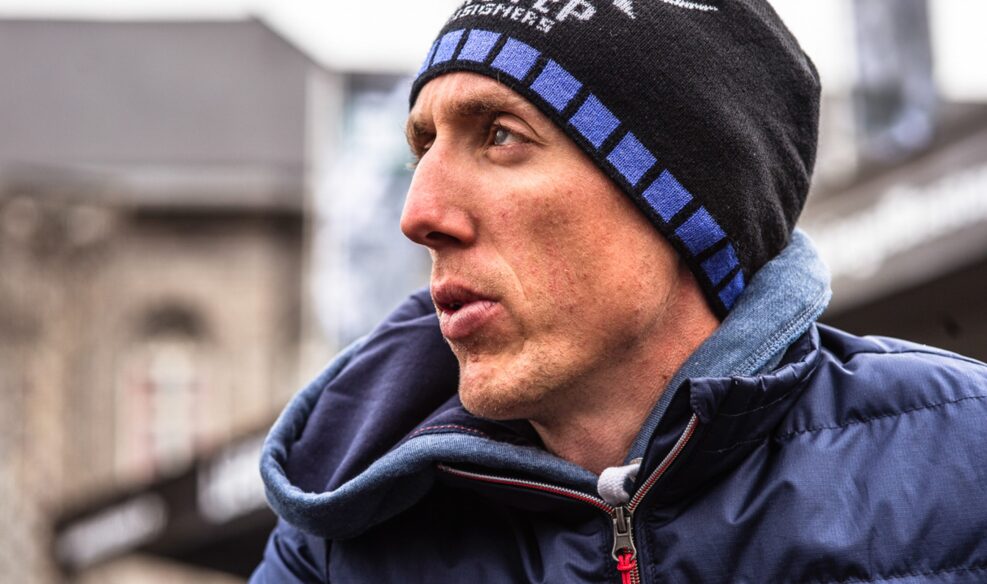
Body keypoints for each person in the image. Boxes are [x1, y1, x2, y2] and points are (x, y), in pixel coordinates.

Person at [251, 1, 987, 582]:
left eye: (500, 135)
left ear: (684, 204)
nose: (418, 214)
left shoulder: (964, 460)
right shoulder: (335, 539)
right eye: (423, 146)